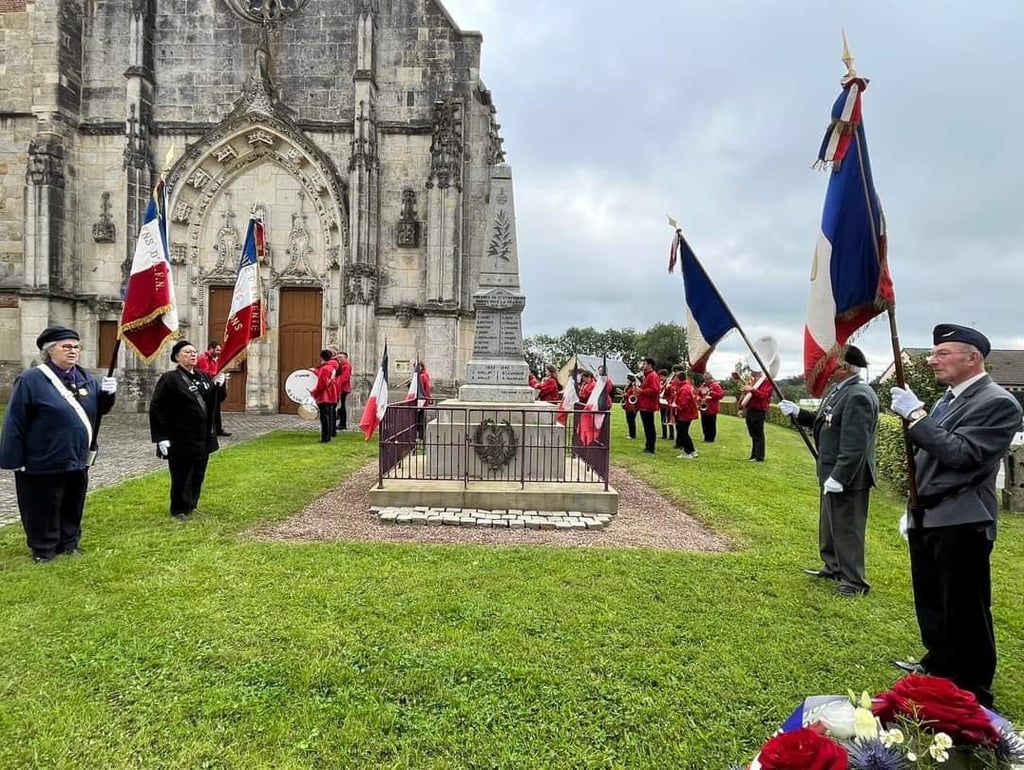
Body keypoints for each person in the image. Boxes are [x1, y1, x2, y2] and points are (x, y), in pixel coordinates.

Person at [888, 324, 1022, 707]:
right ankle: (939, 666)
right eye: (933, 353)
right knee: (931, 601)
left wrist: (917, 415)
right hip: (929, 515)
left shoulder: (997, 402)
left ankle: (972, 689)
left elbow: (960, 454)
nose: (931, 360)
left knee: (965, 608)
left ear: (972, 357)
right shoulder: (949, 399)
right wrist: (914, 508)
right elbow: (928, 457)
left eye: (942, 353)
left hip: (962, 520)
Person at [0, 325, 117, 562]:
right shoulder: (32, 379)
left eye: (76, 347)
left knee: (72, 503)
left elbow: (95, 413)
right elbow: (15, 420)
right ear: (50, 350)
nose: (73, 351)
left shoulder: (85, 378)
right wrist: (15, 459)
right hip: (42, 458)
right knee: (42, 505)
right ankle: (43, 548)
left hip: (76, 456)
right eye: (67, 347)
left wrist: (108, 395)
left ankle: (68, 543)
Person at [779, 345, 878, 597]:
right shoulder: (839, 390)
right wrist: (799, 413)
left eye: (832, 363)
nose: (826, 368)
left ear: (844, 368)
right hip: (831, 471)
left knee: (847, 527)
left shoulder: (859, 395)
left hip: (848, 476)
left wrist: (839, 476)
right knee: (831, 523)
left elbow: (855, 444)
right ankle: (833, 566)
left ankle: (854, 581)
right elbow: (824, 421)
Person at [149, 339, 227, 523]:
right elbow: (157, 408)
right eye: (186, 352)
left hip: (202, 436)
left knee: (198, 473)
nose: (192, 355)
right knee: (181, 474)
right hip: (180, 436)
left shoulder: (203, 376)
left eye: (194, 352)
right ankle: (179, 508)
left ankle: (192, 504)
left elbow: (216, 401)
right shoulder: (170, 379)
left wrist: (220, 385)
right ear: (177, 357)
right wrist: (161, 437)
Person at [196, 340, 231, 437]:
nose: (219, 352)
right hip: (206, 388)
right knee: (210, 409)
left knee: (216, 409)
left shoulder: (213, 359)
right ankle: (211, 430)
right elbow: (205, 373)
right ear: (211, 349)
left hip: (214, 386)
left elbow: (215, 370)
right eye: (217, 350)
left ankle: (218, 429)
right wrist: (218, 374)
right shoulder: (203, 358)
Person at [742, 371, 775, 462]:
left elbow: (763, 395)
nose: (751, 372)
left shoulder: (767, 383)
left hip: (759, 410)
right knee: (753, 434)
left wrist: (752, 390)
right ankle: (754, 455)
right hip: (751, 409)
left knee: (758, 434)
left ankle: (759, 456)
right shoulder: (753, 382)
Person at [310, 350, 337, 443]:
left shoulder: (325, 368)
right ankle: (328, 436)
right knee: (328, 416)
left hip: (324, 396)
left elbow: (322, 384)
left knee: (324, 418)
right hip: (330, 394)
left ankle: (325, 437)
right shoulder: (331, 367)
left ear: (321, 357)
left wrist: (314, 392)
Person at [637, 358, 661, 453]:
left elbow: (655, 390)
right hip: (644, 405)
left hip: (648, 405)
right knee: (647, 427)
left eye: (645, 364)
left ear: (650, 365)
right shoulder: (647, 376)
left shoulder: (652, 376)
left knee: (649, 427)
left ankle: (650, 447)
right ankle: (648, 446)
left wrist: (641, 391)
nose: (643, 365)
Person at [673, 371, 699, 459]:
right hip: (688, 413)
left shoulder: (684, 388)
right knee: (684, 432)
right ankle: (691, 451)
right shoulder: (687, 386)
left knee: (683, 433)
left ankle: (688, 452)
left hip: (685, 414)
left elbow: (684, 404)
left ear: (679, 378)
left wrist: (676, 406)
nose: (674, 380)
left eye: (675, 378)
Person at [697, 373, 725, 442]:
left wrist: (712, 394)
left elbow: (721, 394)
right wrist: (699, 398)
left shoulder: (715, 386)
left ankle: (711, 438)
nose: (706, 381)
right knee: (704, 424)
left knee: (711, 424)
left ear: (710, 379)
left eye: (707, 379)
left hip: (712, 408)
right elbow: (698, 394)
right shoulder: (703, 386)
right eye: (705, 379)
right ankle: (706, 437)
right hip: (704, 408)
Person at [333, 350, 353, 432]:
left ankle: (342, 423)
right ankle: (342, 423)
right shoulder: (341, 365)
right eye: (338, 357)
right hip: (341, 388)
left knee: (342, 406)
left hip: (343, 388)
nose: (339, 359)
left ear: (346, 358)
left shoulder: (346, 366)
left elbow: (345, 377)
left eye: (341, 357)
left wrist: (335, 382)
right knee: (341, 406)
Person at [621, 374, 638, 440]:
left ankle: (632, 435)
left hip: (631, 406)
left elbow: (633, 396)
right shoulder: (628, 386)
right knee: (629, 420)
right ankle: (631, 433)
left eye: (628, 379)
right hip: (628, 405)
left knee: (631, 421)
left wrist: (626, 394)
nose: (627, 380)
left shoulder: (633, 387)